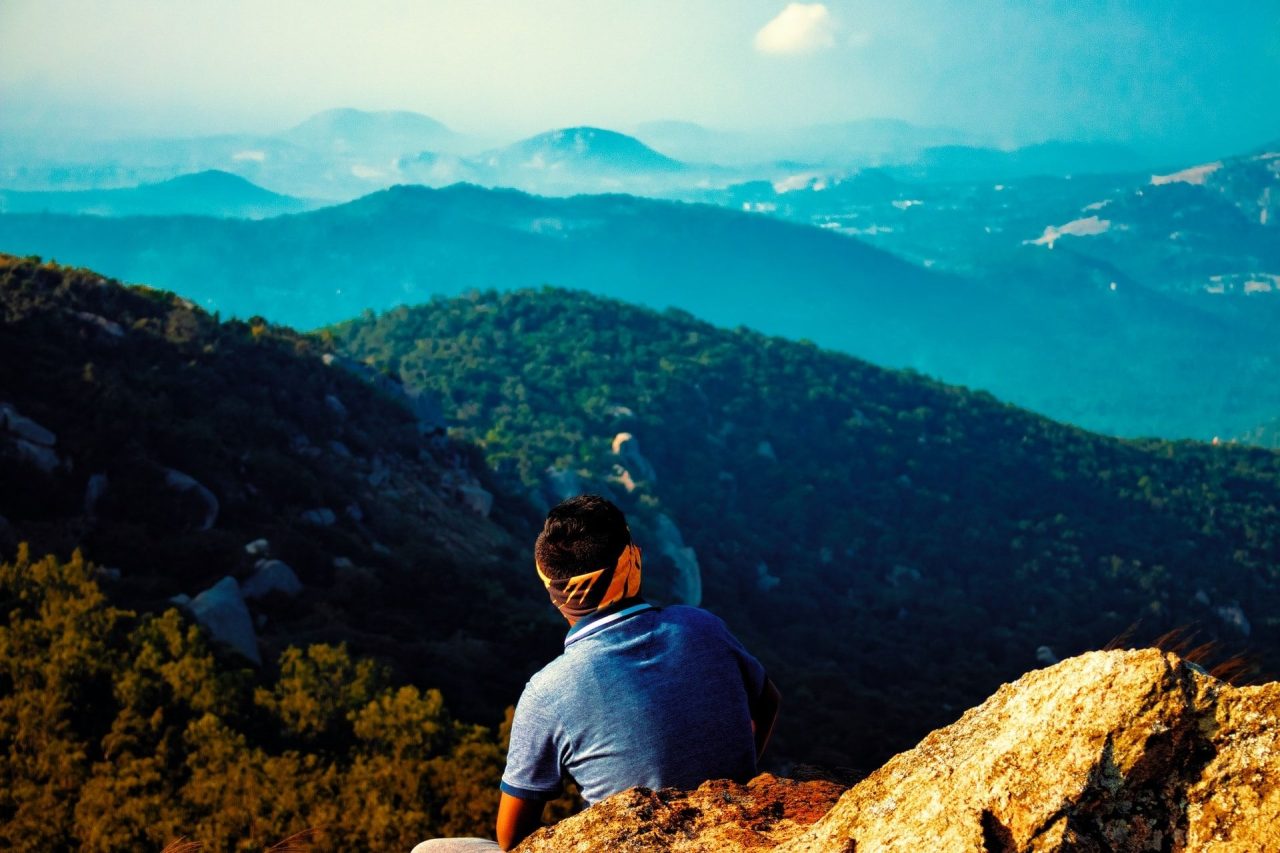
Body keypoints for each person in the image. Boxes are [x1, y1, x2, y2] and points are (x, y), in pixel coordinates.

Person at [412, 495, 780, 852]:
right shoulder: (701, 625)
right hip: (734, 821)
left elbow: (511, 838)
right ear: (632, 561)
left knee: (432, 850)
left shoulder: (548, 691)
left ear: (551, 588)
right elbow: (768, 702)